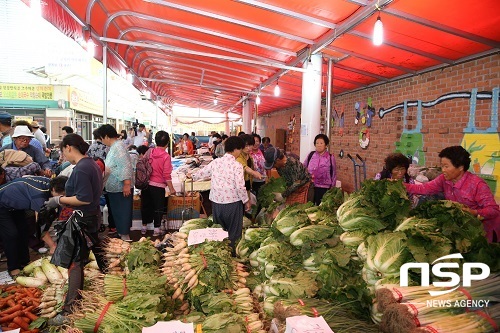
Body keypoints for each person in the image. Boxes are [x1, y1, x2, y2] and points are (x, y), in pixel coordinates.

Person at [43, 133, 105, 326]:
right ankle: (107, 285)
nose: (63, 155)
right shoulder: (91, 164)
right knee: (98, 254)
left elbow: (83, 198)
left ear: (69, 147)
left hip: (83, 218)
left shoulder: (82, 168)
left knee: (75, 263)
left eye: (63, 151)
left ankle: (70, 310)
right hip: (91, 216)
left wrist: (58, 200)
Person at [404, 146, 500, 243]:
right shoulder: (444, 179)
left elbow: (493, 210)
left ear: (460, 167)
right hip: (465, 227)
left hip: (484, 230)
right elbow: (424, 188)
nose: (443, 170)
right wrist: (399, 185)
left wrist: (473, 212)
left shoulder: (477, 184)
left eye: (446, 166)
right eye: (442, 166)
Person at [189, 136, 250, 253]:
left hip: (217, 203)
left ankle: (220, 254)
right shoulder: (237, 166)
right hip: (233, 204)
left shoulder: (216, 162)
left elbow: (202, 173)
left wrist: (192, 176)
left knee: (219, 232)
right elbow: (240, 186)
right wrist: (246, 201)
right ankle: (231, 257)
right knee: (233, 233)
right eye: (240, 150)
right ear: (236, 149)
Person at [0, 172, 67, 276]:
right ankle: (13, 267)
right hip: (2, 204)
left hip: (16, 205)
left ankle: (24, 261)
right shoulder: (39, 196)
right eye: (61, 196)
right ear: (54, 190)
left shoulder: (52, 184)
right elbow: (41, 225)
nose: (63, 198)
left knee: (23, 230)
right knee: (11, 234)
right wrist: (52, 245)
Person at [97, 124, 134, 241]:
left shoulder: (118, 147)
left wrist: (127, 184)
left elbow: (125, 166)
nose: (102, 142)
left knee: (122, 212)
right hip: (114, 188)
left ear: (107, 136)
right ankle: (121, 233)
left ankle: (125, 236)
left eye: (102, 138)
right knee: (118, 212)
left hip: (121, 188)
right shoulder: (115, 146)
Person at [140, 131, 176, 236]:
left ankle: (143, 227)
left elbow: (143, 164)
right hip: (158, 187)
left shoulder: (149, 151)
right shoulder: (166, 156)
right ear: (167, 143)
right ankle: (156, 230)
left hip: (146, 185)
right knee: (158, 208)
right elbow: (166, 175)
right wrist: (172, 189)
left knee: (146, 206)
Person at [304, 134, 337, 205]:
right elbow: (303, 168)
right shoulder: (311, 155)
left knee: (321, 208)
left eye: (321, 143)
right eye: (317, 143)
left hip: (324, 188)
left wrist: (332, 188)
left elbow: (334, 173)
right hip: (311, 186)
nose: (319, 145)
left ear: (326, 145)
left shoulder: (330, 157)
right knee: (309, 206)